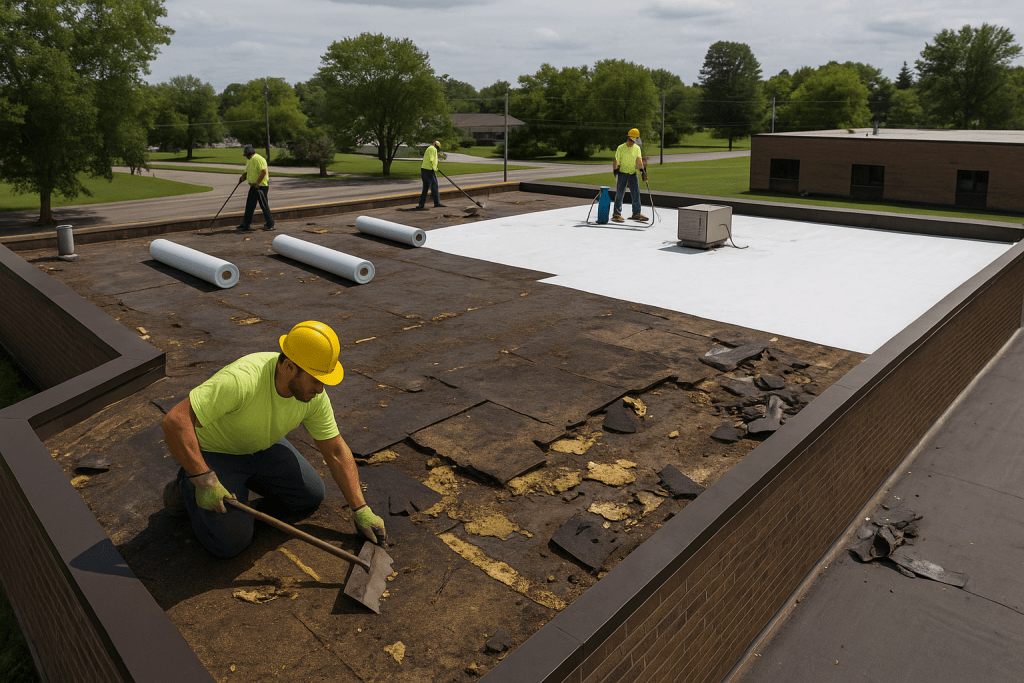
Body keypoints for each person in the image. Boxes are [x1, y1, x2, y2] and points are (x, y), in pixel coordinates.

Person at [160, 320, 386, 558]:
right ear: (289, 367)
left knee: (310, 495)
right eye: (316, 380)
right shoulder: (242, 379)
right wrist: (203, 479)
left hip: (261, 446)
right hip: (217, 452)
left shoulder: (314, 395)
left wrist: (360, 509)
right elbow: (175, 421)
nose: (320, 389)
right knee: (231, 542)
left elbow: (335, 450)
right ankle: (187, 485)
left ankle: (238, 491)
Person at [611, 128, 648, 223]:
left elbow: (639, 161)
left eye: (634, 141)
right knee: (620, 193)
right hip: (622, 173)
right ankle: (616, 214)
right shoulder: (620, 148)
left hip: (632, 174)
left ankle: (636, 213)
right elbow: (616, 160)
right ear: (628, 138)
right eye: (631, 140)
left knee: (636, 193)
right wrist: (615, 172)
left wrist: (643, 172)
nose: (632, 142)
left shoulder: (637, 148)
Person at [237, 144, 275, 231]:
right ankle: (246, 224)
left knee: (264, 205)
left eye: (246, 154)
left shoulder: (258, 159)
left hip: (261, 187)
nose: (246, 156)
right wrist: (241, 179)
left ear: (249, 153)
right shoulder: (250, 160)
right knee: (249, 205)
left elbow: (264, 172)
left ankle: (270, 224)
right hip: (253, 186)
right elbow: (247, 172)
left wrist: (257, 182)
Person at [414, 141, 446, 210]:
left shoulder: (428, 148)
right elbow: (431, 159)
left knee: (425, 187)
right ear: (437, 146)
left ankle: (421, 205)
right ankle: (437, 203)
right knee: (434, 186)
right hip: (429, 170)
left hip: (424, 169)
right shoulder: (433, 149)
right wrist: (435, 168)